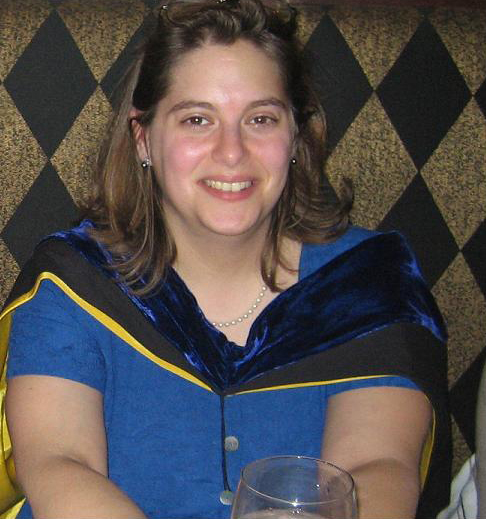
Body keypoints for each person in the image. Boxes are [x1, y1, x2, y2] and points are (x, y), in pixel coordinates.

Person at [0, 0, 450, 517]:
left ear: (296, 135)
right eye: (197, 120)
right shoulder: (75, 284)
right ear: (143, 138)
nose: (232, 152)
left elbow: (375, 468)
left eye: (260, 119)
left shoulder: (367, 285)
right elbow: (60, 463)